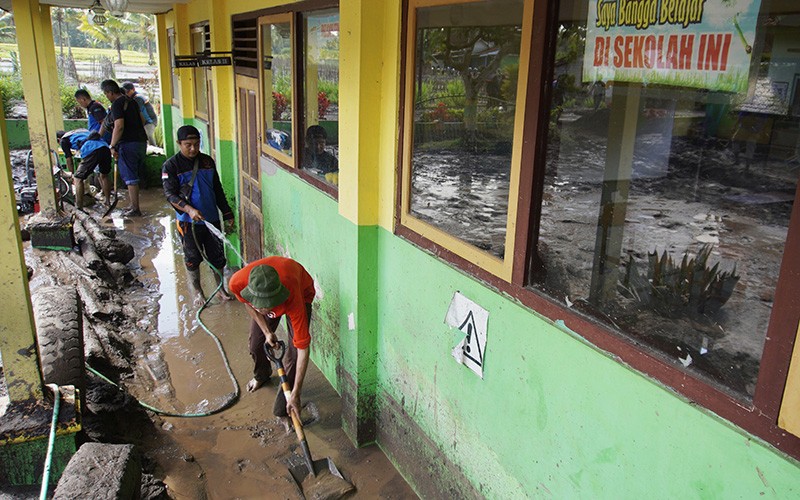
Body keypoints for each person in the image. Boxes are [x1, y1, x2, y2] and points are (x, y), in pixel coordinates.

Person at [228, 257, 315, 420]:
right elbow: (248, 304)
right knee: (256, 344)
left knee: (294, 357)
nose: (261, 309)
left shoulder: (293, 297)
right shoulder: (237, 283)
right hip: (274, 290)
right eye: (258, 304)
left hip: (301, 292)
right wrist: (267, 332)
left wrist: (296, 391)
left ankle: (286, 408)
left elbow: (303, 347)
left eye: (266, 306)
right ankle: (262, 375)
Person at [162, 125, 235, 304]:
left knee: (217, 256)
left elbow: (217, 189)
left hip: (211, 219)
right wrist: (189, 209)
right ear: (179, 143)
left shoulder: (207, 162)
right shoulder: (171, 166)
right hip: (188, 223)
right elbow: (170, 194)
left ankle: (220, 289)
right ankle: (197, 292)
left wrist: (227, 213)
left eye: (196, 144)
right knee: (193, 258)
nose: (193, 149)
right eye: (188, 145)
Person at [101, 79, 148, 216]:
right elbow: (143, 120)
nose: (107, 97)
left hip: (128, 143)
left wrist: (113, 145)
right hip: (141, 142)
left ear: (110, 92)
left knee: (130, 177)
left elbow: (119, 126)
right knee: (135, 173)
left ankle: (135, 208)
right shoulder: (131, 101)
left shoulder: (117, 104)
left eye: (106, 94)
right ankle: (134, 205)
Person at [57, 128, 111, 209]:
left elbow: (69, 159)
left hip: (92, 148)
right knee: (104, 175)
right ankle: (108, 202)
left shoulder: (63, 140)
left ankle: (79, 207)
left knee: (78, 178)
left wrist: (71, 174)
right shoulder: (78, 131)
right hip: (105, 147)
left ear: (58, 139)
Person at [122, 82, 159, 147]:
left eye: (128, 91)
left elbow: (138, 113)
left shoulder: (138, 98)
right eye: (124, 92)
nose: (126, 93)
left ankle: (155, 151)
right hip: (145, 121)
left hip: (149, 121)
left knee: (148, 135)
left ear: (133, 89)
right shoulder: (131, 98)